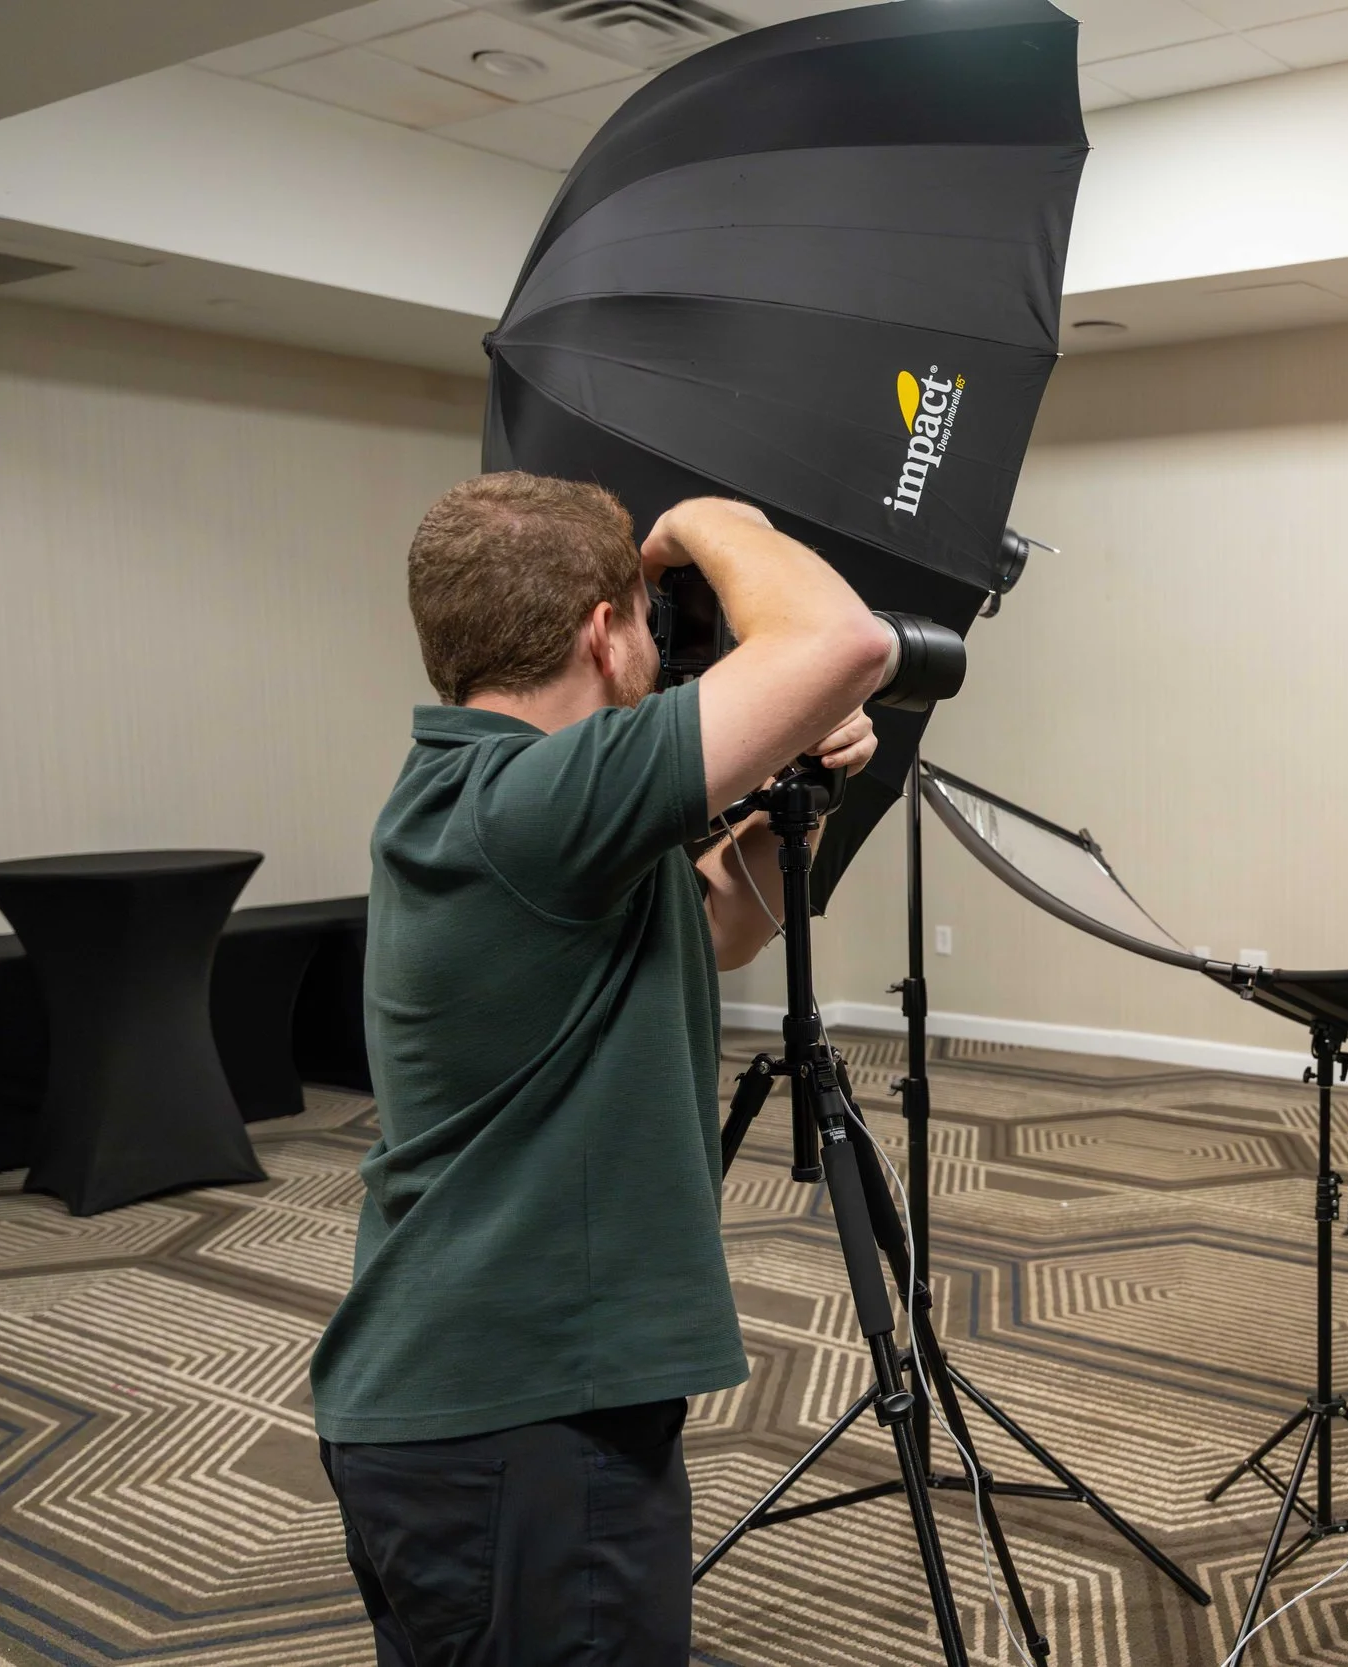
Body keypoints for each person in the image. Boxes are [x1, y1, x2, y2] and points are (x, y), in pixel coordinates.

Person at [309, 474, 898, 1665]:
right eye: (643, 611)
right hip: (518, 1412)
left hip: (484, 1400)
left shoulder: (502, 802)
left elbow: (718, 923)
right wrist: (704, 522)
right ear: (601, 624)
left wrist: (812, 794)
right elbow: (843, 639)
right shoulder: (532, 801)